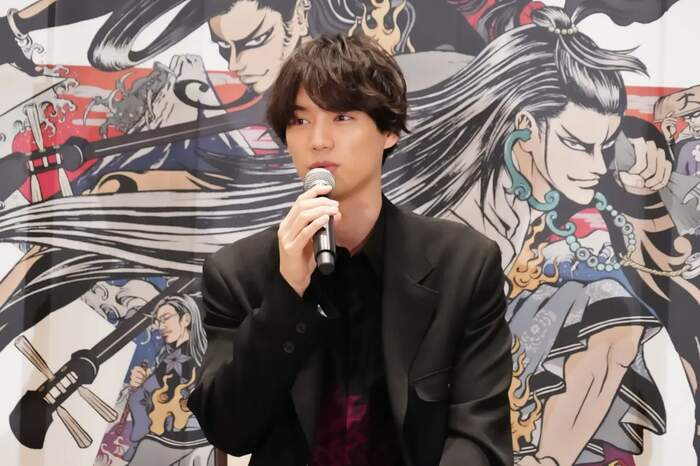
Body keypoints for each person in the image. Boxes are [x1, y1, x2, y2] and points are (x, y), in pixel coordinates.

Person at [187, 34, 513, 466]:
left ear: (389, 130)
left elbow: (479, 437)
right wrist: (286, 295)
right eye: (300, 121)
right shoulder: (238, 272)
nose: (319, 140)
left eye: (342, 117)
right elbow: (230, 429)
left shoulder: (464, 264)